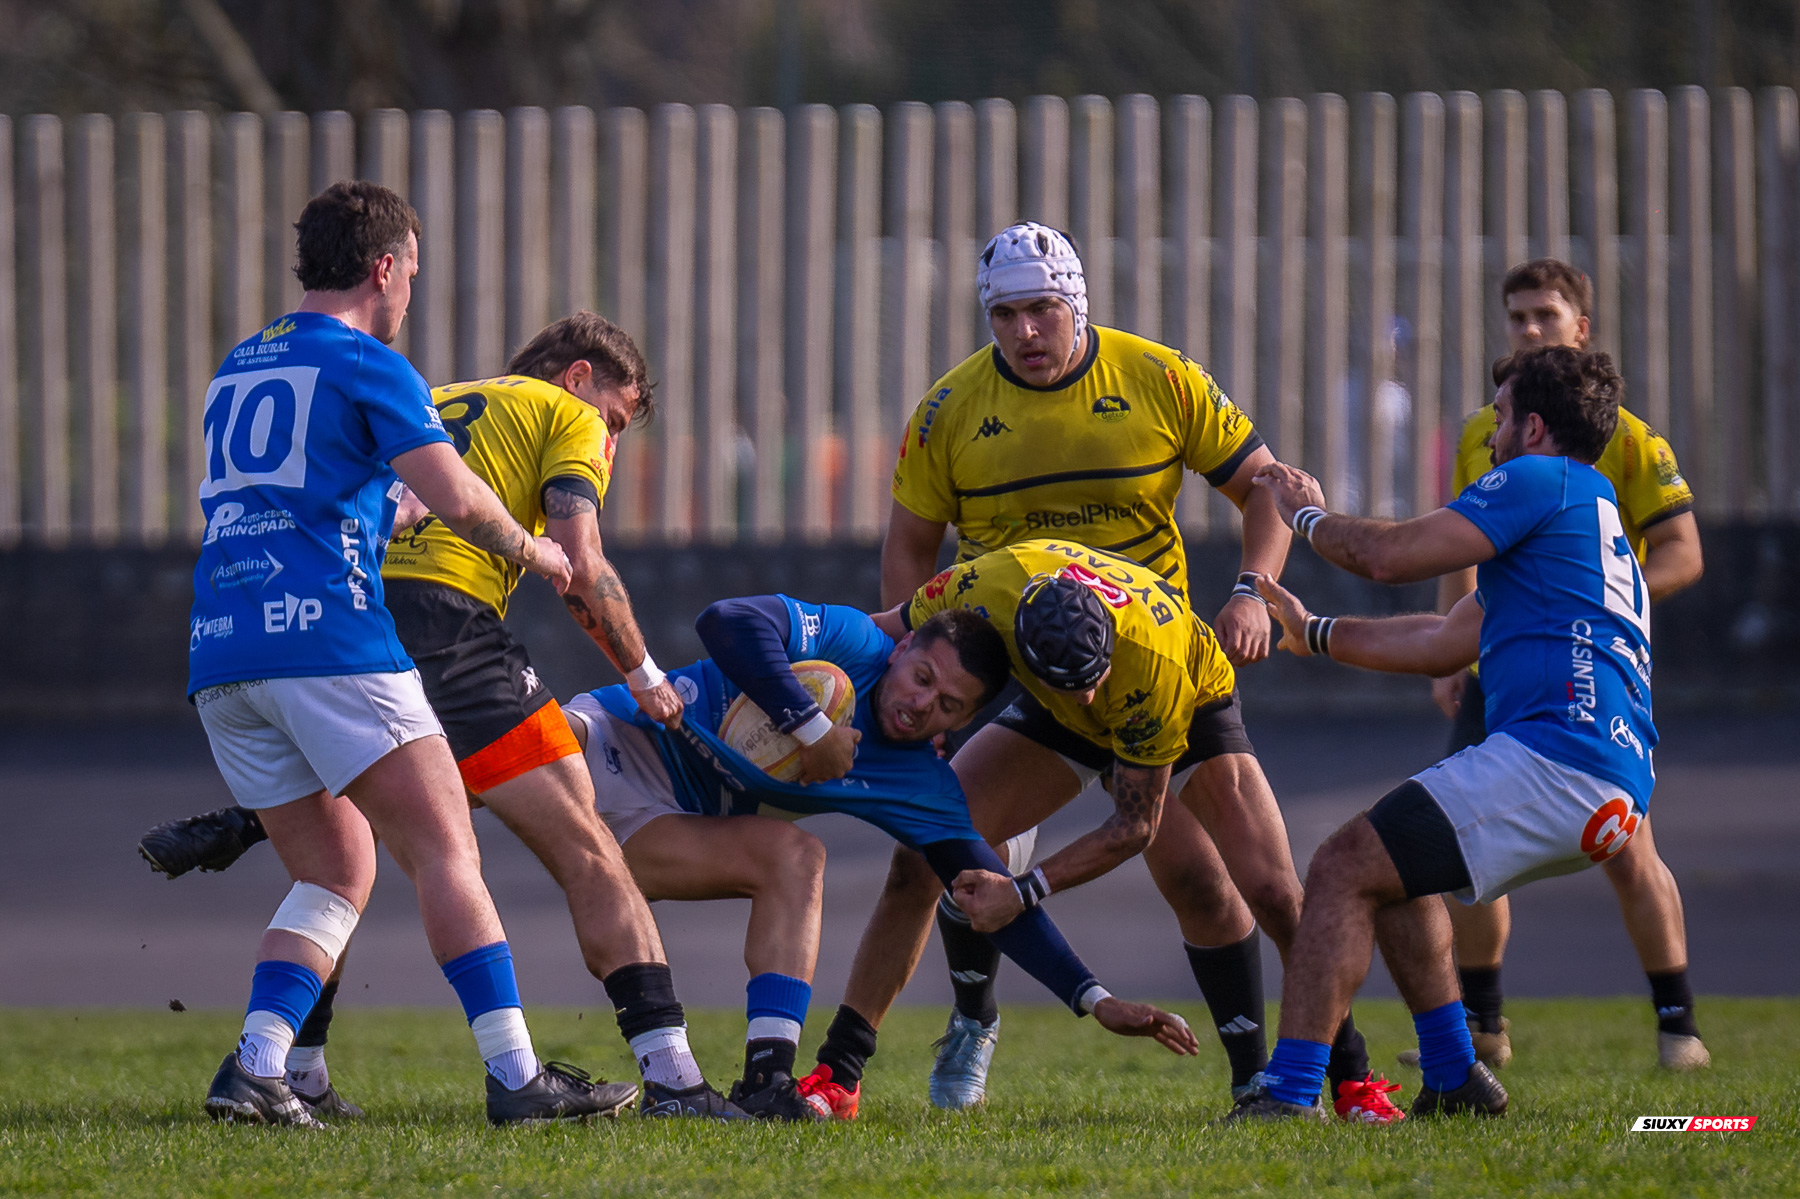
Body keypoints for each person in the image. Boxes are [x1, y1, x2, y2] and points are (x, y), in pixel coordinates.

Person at [146, 312, 748, 1119]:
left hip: (352, 620)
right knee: (582, 838)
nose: (610, 439)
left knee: (347, 854)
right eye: (616, 415)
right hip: (447, 624)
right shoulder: (563, 412)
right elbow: (580, 562)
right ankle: (668, 1076)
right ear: (577, 377)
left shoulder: (434, 394)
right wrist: (645, 675)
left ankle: (300, 1064)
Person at [870, 222, 1385, 1119]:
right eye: (1005, 315)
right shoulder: (949, 408)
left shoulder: (1159, 376)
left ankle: (1350, 1075)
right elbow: (910, 546)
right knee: (928, 851)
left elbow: (1271, 483)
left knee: (1254, 885)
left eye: (1041, 310)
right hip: (1038, 681)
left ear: (1077, 305)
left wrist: (1256, 590)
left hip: (1158, 674)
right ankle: (872, 1059)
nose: (1025, 332)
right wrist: (928, 682)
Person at [187, 181, 631, 1126]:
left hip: (222, 648)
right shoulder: (370, 361)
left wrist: (383, 507)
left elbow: (290, 493)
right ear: (384, 267)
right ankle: (516, 1077)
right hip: (329, 639)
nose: (410, 293)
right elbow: (464, 498)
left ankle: (259, 1066)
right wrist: (537, 549)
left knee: (336, 871)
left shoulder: (239, 364)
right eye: (413, 274)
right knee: (444, 845)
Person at [797, 539, 1390, 1122]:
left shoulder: (1148, 668)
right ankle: (839, 1073)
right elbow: (875, 636)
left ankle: (1352, 1079)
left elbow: (1134, 827)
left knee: (1274, 893)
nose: (1088, 696)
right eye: (1073, 684)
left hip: (1178, 698)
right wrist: (800, 707)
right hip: (1055, 710)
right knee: (918, 858)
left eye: (1091, 678)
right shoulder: (987, 585)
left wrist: (1024, 888)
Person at [568, 592, 1200, 1120]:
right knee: (492, 771)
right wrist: (810, 729)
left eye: (947, 705)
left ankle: (766, 1084)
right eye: (922, 678)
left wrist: (1095, 999)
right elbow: (728, 620)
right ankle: (514, 1071)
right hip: (611, 736)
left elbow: (990, 890)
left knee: (798, 858)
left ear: (960, 723)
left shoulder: (922, 784)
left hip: (661, 825)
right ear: (899, 651)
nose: (922, 704)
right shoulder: (850, 642)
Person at [1234, 345, 1653, 1122]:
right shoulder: (1585, 513)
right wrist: (1314, 632)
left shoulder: (1537, 478)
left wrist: (1306, 513)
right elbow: (1440, 639)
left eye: (1497, 418)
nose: (1488, 436)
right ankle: (1457, 1078)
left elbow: (1390, 557)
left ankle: (1289, 1095)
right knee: (1391, 866)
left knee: (1338, 864)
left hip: (1559, 758)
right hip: (1605, 778)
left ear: (1532, 427)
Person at [1426, 259, 1706, 1072]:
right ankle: (1485, 1026)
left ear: (1582, 328)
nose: (1529, 330)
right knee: (1468, 845)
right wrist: (1451, 647)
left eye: (1545, 315)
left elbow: (1685, 552)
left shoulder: (1622, 436)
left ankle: (1679, 1026)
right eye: (1515, 318)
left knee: (1628, 846)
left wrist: (1605, 601)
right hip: (1498, 661)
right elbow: (1461, 541)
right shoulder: (1488, 429)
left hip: (1592, 665)